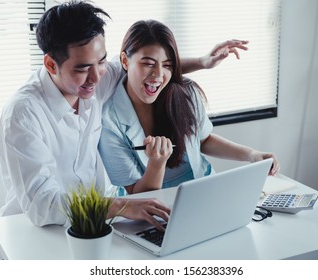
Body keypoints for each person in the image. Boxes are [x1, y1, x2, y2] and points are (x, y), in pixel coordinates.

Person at [0, 1, 248, 230]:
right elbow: (44, 205)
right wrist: (124, 206)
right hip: (37, 229)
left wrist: (204, 62)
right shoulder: (22, 115)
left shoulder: (96, 80)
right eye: (83, 68)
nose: (96, 77)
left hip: (98, 221)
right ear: (51, 64)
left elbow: (147, 65)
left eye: (102, 61)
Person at [99, 19, 280, 195]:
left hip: (203, 191)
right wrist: (157, 163)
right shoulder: (108, 120)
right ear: (125, 61)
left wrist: (252, 155)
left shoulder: (186, 93)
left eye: (167, 65)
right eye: (148, 63)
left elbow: (203, 140)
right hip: (150, 207)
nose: (158, 75)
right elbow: (136, 193)